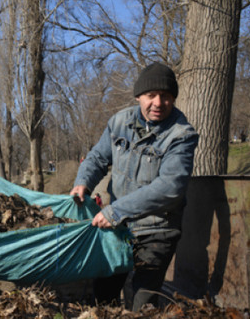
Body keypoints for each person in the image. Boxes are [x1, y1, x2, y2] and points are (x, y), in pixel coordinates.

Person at [69, 62, 198, 311]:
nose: (158, 103)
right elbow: (97, 158)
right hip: (118, 228)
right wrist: (82, 182)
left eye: (166, 97)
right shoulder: (119, 122)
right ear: (139, 96)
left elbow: (170, 187)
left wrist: (116, 211)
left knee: (141, 302)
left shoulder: (181, 135)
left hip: (157, 229)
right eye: (151, 96)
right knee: (103, 292)